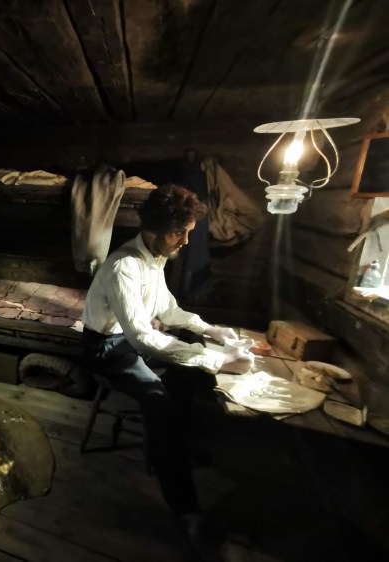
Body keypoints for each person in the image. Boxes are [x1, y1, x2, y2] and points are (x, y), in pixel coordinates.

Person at [81, 183, 254, 558]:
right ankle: (187, 511)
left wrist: (210, 331)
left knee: (187, 373)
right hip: (105, 348)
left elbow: (168, 310)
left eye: (187, 232)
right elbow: (143, 337)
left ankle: (175, 444)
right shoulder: (124, 267)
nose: (185, 241)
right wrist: (216, 359)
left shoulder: (153, 259)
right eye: (179, 233)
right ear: (155, 229)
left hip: (127, 340)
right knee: (157, 398)